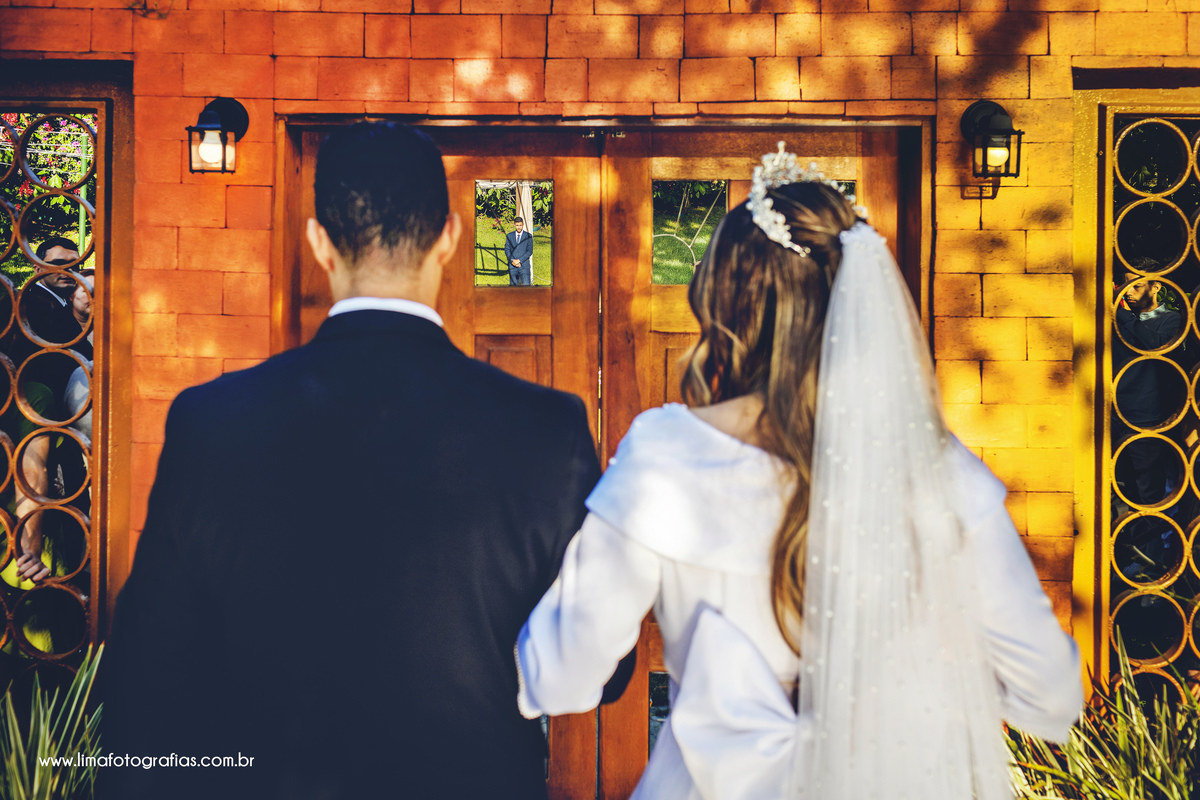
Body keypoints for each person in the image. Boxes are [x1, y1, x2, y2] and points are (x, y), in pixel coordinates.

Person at [516, 144, 1082, 800]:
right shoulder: (941, 477)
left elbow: (556, 676)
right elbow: (1051, 697)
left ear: (725, 304)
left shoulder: (666, 454)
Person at [100, 122, 601, 800]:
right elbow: (608, 660)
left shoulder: (212, 423)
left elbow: (148, 678)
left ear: (317, 242)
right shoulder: (547, 428)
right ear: (451, 235)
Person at [504, 216, 533, 286]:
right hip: (512, 266)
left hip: (524, 266)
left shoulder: (528, 236)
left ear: (523, 225)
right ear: (514, 225)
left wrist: (519, 260)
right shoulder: (509, 236)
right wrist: (512, 261)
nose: (519, 227)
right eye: (517, 225)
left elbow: (529, 251)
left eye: (520, 225)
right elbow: (507, 250)